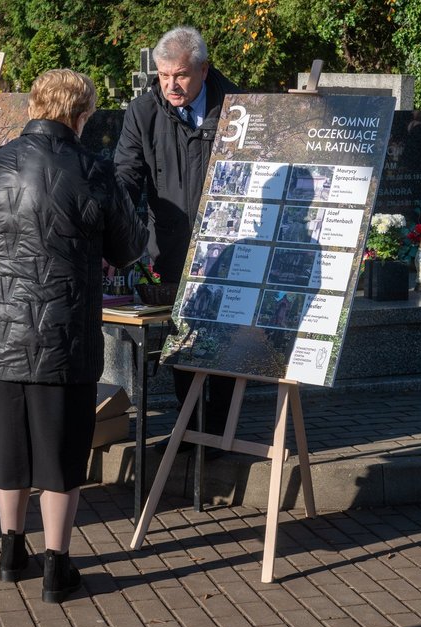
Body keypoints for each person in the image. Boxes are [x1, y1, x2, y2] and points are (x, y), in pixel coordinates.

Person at [0, 69, 147, 604]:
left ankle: (11, 550)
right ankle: (58, 564)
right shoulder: (94, 171)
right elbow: (128, 248)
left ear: (35, 106)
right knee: (60, 453)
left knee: (6, 446)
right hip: (63, 333)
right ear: (82, 115)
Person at [114, 25, 238, 448]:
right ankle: (190, 430)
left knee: (220, 342)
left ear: (204, 70)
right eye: (164, 75)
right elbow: (126, 175)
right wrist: (116, 226)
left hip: (227, 248)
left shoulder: (238, 108)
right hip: (166, 249)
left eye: (180, 75)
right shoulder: (143, 111)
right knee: (182, 341)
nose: (170, 85)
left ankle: (218, 435)